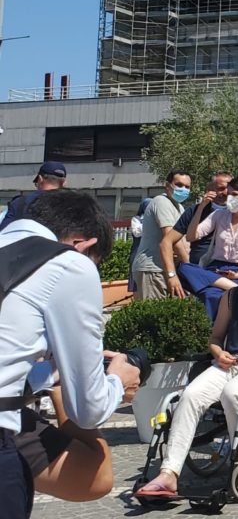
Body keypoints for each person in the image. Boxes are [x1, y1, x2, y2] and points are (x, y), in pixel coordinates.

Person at [0, 190, 141, 517]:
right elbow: (87, 410)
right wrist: (118, 381)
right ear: (83, 243)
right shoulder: (68, 263)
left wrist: (49, 373)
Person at [134, 239, 238, 498]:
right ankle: (169, 473)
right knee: (190, 396)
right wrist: (218, 352)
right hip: (230, 363)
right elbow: (215, 338)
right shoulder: (231, 297)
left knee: (233, 393)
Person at [180, 177, 238, 318]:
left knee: (211, 296)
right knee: (183, 267)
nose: (229, 197)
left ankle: (215, 329)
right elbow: (191, 236)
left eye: (234, 194)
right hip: (215, 269)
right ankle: (231, 287)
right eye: (229, 193)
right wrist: (201, 207)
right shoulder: (219, 215)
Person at [132, 171, 192, 300]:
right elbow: (172, 238)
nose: (183, 189)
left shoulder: (179, 207)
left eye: (187, 187)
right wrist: (190, 265)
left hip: (169, 268)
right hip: (153, 269)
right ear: (167, 185)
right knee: (155, 315)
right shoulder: (161, 202)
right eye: (179, 185)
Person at [168, 172, 232, 269]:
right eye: (221, 188)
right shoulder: (195, 210)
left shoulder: (236, 213)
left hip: (226, 269)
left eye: (230, 189)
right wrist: (184, 263)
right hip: (198, 267)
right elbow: (170, 240)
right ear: (210, 189)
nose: (226, 192)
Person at [0, 161, 68, 232]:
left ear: (40, 179)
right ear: (64, 183)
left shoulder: (19, 203)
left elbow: (4, 232)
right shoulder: (72, 205)